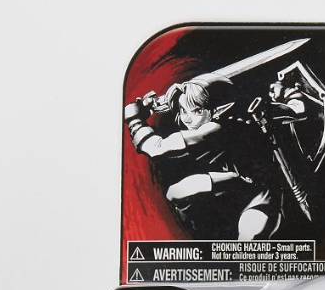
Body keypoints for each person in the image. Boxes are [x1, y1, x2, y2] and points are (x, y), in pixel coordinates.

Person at [124, 78, 303, 239]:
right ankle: (203, 234)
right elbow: (297, 108)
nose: (188, 119)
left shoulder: (216, 129)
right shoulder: (223, 120)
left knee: (249, 237)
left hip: (264, 192)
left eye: (197, 111)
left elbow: (157, 149)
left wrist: (135, 122)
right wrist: (285, 92)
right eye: (183, 111)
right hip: (238, 179)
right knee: (176, 193)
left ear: (218, 109)